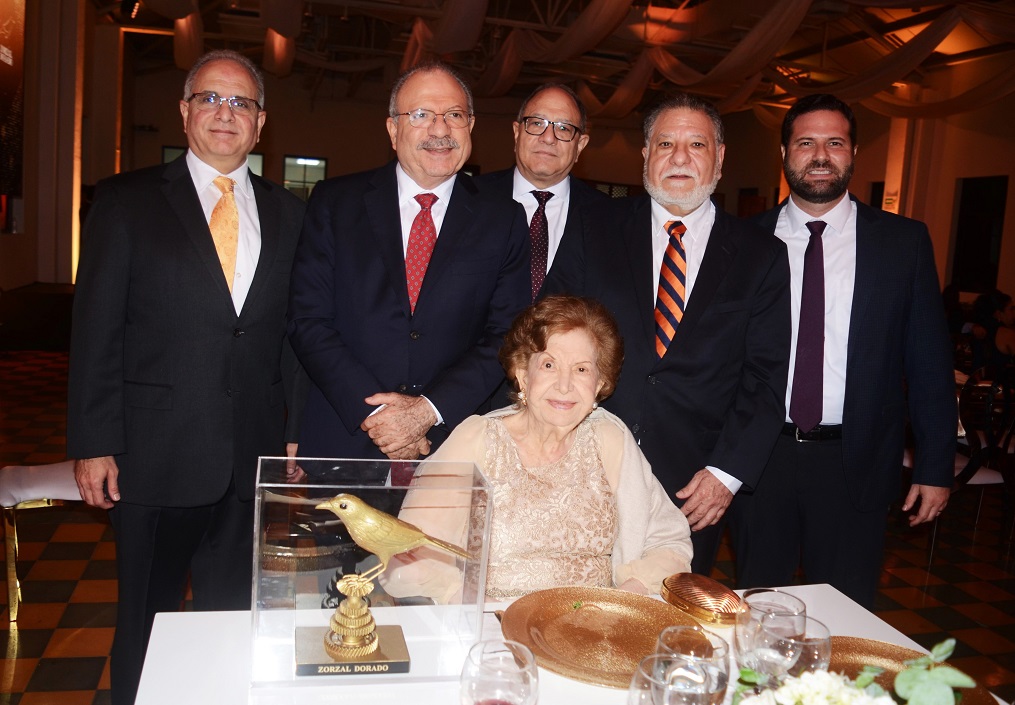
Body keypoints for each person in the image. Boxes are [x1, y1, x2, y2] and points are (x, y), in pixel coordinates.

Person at [67, 50, 305, 705]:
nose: (226, 114)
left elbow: (292, 338)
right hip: (152, 455)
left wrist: (295, 434)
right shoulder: (125, 202)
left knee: (229, 624)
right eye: (211, 99)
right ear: (185, 109)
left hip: (249, 455)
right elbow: (95, 331)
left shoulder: (290, 216)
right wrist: (92, 440)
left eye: (241, 104)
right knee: (144, 621)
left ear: (262, 123)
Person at [547, 93, 791, 575]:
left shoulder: (761, 255)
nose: (680, 158)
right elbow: (551, 334)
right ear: (645, 156)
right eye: (665, 144)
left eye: (696, 144)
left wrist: (726, 473)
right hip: (584, 462)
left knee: (671, 628)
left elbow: (764, 378)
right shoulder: (591, 229)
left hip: (694, 486)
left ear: (720, 157)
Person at [729, 93, 955, 609]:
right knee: (758, 609)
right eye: (806, 142)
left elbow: (929, 364)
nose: (821, 154)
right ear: (786, 152)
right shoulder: (742, 239)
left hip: (857, 461)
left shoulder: (903, 243)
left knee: (846, 617)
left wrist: (934, 466)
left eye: (835, 142)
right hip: (761, 460)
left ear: (853, 153)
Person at [287, 62, 531, 462]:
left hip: (452, 442)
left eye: (454, 115)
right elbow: (307, 320)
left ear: (470, 126)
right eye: (420, 115)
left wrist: (425, 412)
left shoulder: (504, 218)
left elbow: (508, 334)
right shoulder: (335, 204)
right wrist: (381, 416)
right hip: (346, 437)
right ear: (392, 129)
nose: (440, 130)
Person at [383, 296, 693, 603]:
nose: (564, 384)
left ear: (599, 384)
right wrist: (468, 609)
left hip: (593, 630)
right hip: (495, 631)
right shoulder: (477, 439)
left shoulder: (609, 438)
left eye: (582, 370)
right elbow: (413, 554)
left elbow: (669, 540)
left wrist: (623, 600)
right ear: (522, 375)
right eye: (548, 364)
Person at [476, 83, 605, 302]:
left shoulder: (607, 218)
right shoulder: (471, 199)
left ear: (580, 146)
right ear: (517, 133)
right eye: (536, 123)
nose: (548, 138)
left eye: (563, 128)